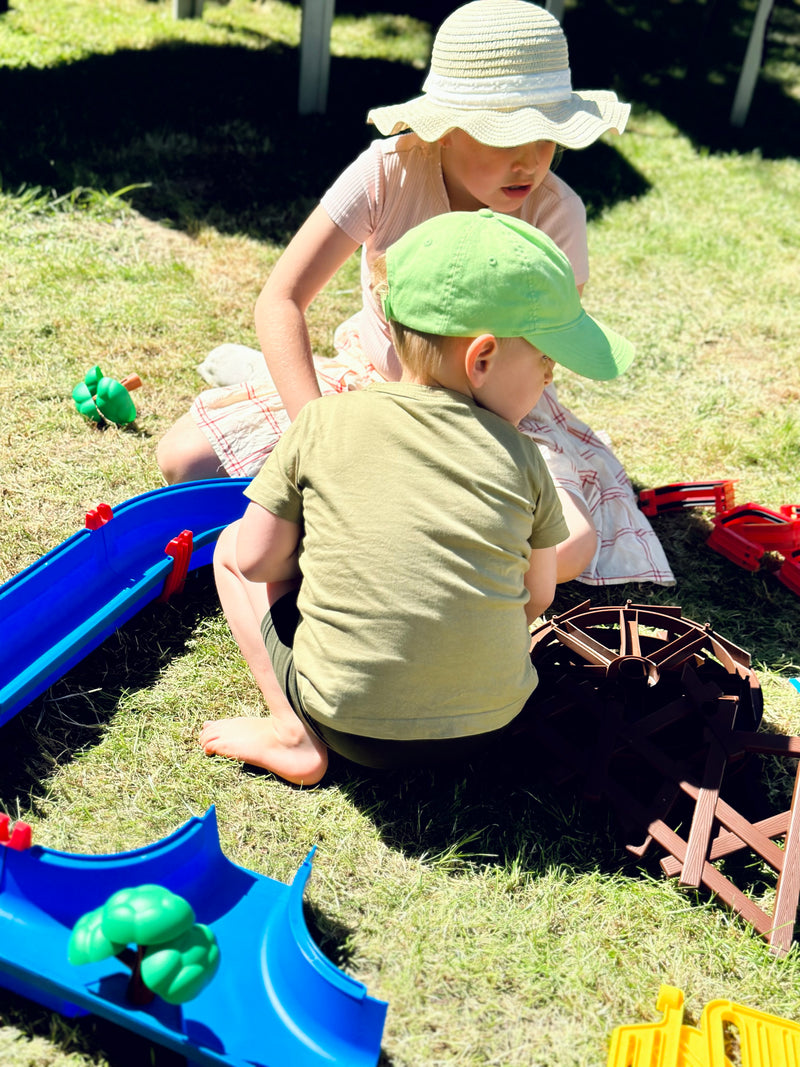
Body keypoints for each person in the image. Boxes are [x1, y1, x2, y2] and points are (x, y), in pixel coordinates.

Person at [157, 0, 674, 588]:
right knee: (186, 460)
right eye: (506, 135)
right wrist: (317, 435)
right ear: (445, 128)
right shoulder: (387, 172)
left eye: (547, 135)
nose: (531, 159)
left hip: (494, 417)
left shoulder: (556, 213)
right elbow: (281, 299)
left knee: (569, 545)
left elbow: (524, 372)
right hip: (376, 382)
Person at [198, 209, 635, 785]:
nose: (548, 382)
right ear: (480, 360)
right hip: (492, 723)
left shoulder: (325, 422)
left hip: (347, 724)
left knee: (231, 545)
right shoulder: (527, 458)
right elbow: (536, 597)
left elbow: (256, 560)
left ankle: (292, 734)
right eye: (547, 365)